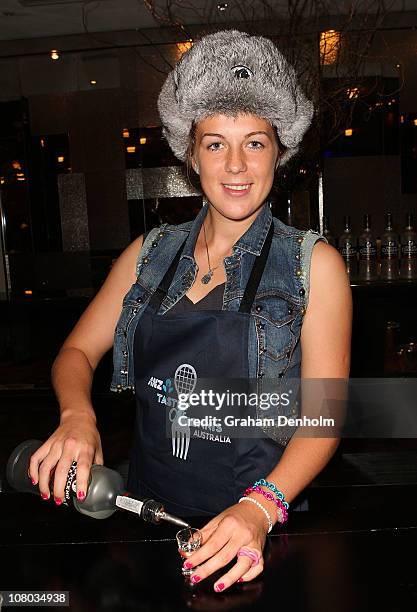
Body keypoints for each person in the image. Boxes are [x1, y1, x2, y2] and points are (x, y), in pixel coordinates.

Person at [28, 30, 352, 591]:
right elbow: (76, 352)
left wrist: (258, 510)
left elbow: (324, 418)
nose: (236, 166)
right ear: (190, 154)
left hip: (258, 534)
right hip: (145, 518)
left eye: (254, 142)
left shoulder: (313, 265)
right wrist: (77, 417)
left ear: (280, 150)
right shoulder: (147, 254)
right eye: (215, 143)